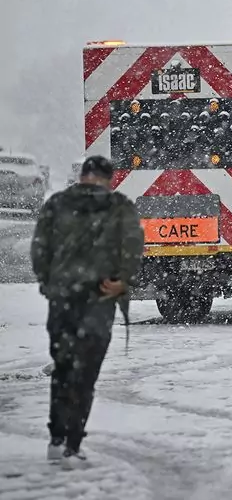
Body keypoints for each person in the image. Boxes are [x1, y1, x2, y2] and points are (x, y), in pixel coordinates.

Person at [30, 155, 144, 469]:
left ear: (82, 176)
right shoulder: (120, 205)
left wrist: (48, 282)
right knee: (86, 373)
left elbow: (39, 248)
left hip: (63, 299)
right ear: (109, 178)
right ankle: (73, 442)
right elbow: (133, 245)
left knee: (64, 368)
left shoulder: (56, 204)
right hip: (99, 298)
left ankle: (56, 439)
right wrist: (122, 281)